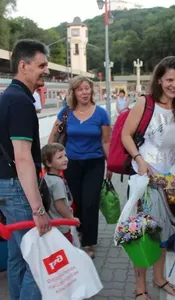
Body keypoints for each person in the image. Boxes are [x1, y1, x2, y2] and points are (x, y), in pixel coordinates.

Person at [121, 56, 175, 299]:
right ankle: (140, 288)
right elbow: (125, 135)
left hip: (173, 181)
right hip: (147, 180)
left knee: (165, 232)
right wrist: (139, 160)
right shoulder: (146, 103)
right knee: (144, 233)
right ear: (159, 80)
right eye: (169, 80)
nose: (174, 85)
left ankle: (160, 278)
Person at [0, 39, 51, 300]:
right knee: (37, 263)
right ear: (23, 66)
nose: (46, 70)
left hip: (4, 187)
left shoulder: (3, 99)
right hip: (19, 190)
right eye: (42, 65)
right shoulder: (22, 102)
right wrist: (38, 210)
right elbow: (23, 158)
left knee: (17, 257)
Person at [48, 76, 112, 259]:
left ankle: (88, 242)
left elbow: (106, 141)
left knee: (90, 202)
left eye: (87, 88)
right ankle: (78, 232)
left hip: (95, 163)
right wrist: (49, 160)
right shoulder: (65, 112)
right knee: (75, 201)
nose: (84, 92)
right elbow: (53, 136)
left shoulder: (101, 114)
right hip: (71, 163)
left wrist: (111, 165)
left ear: (92, 91)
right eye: (80, 89)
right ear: (74, 92)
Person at [41, 143, 79, 243]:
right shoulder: (57, 182)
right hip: (62, 227)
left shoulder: (46, 178)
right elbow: (60, 206)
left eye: (65, 155)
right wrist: (71, 218)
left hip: (52, 226)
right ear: (49, 163)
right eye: (60, 157)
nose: (65, 159)